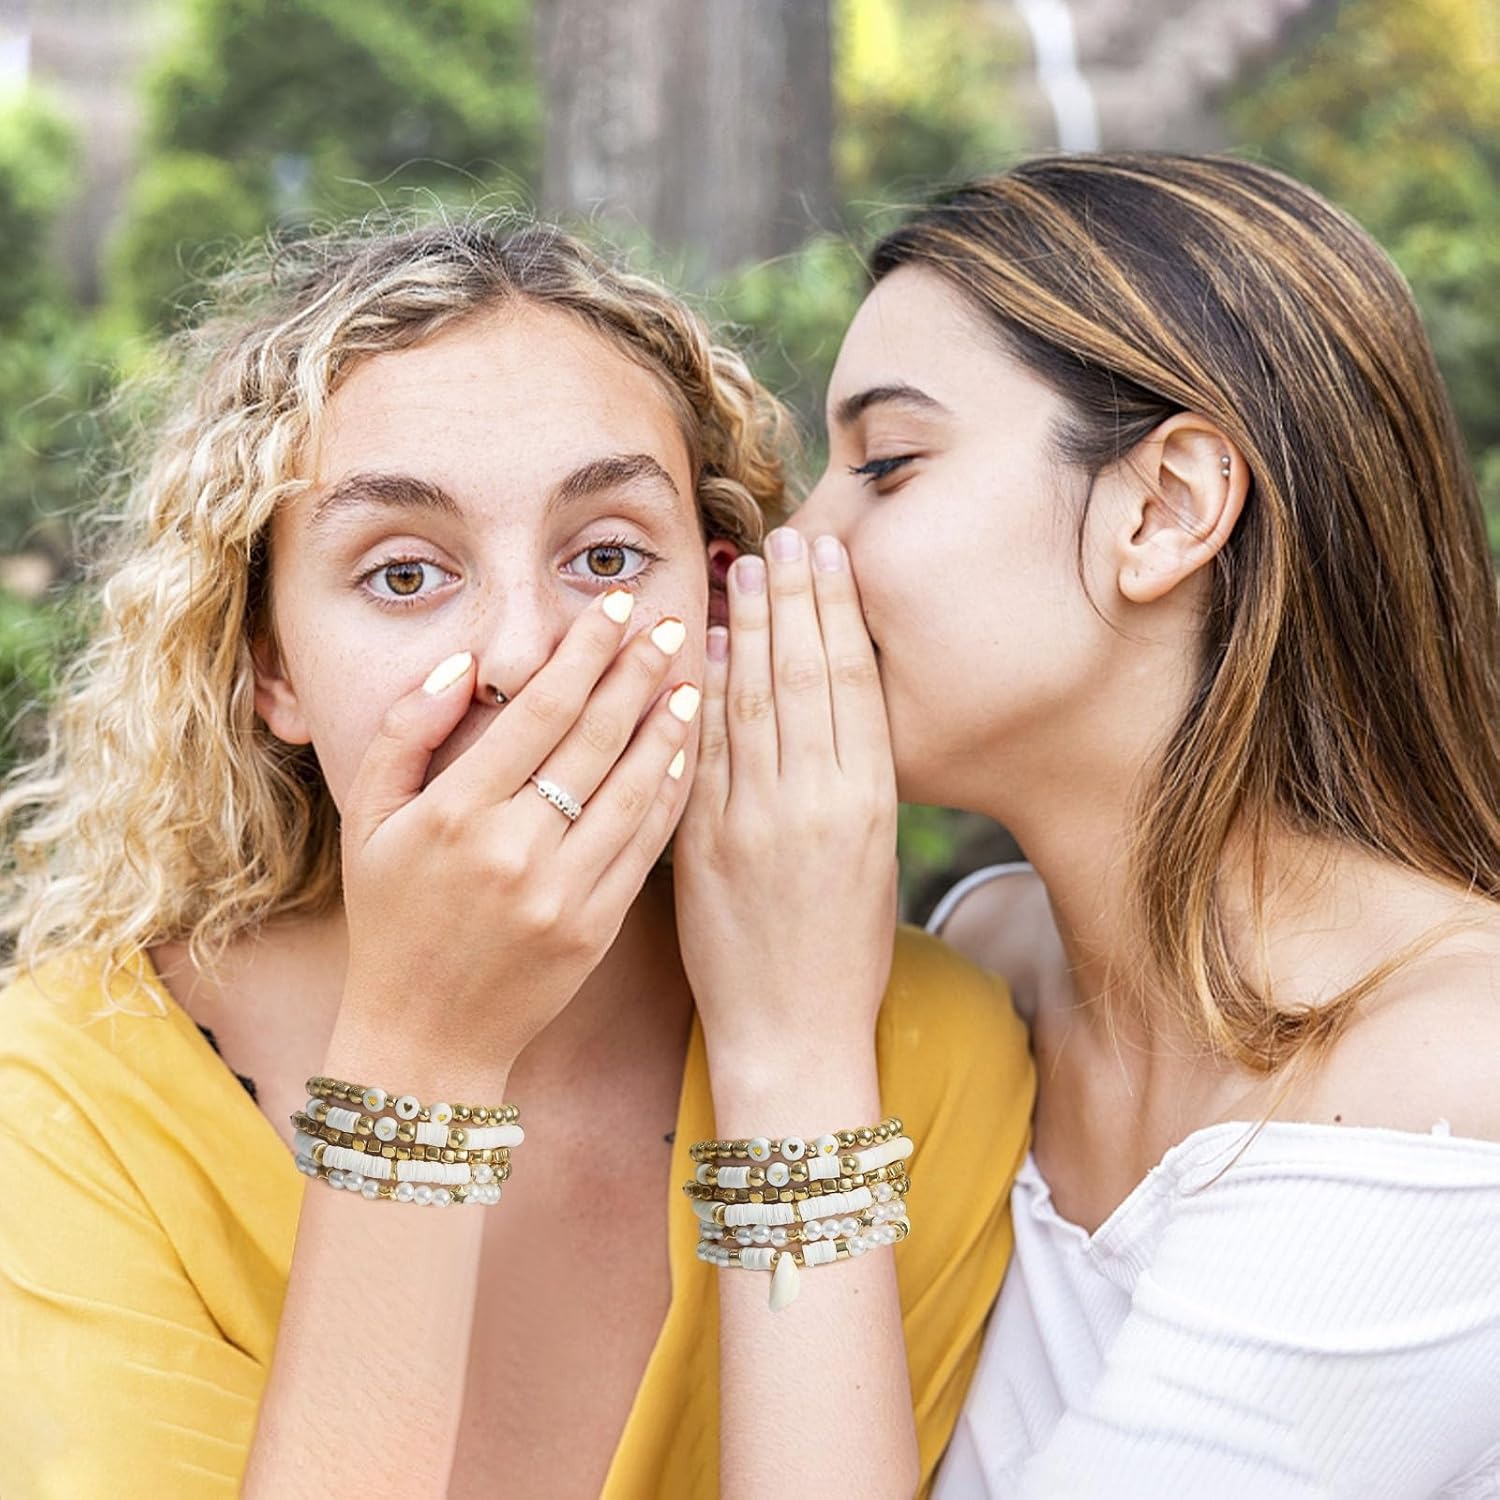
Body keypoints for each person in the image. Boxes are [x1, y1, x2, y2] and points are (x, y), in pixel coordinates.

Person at [0, 218, 1034, 1498]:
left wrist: (806, 1054)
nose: (523, 655)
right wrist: (423, 1051)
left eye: (606, 557)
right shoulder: (57, 1103)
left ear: (718, 605)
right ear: (274, 668)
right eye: (404, 575)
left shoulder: (923, 1055)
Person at [702, 153, 1500, 1496]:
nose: (799, 547)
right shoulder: (992, 956)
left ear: (1166, 508)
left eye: (887, 465)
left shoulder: (1445, 1080)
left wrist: (789, 1053)